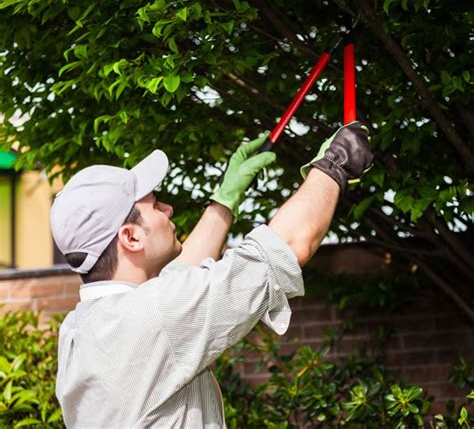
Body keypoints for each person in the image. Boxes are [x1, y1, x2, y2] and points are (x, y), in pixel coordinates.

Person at [51, 121, 373, 428]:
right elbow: (285, 248)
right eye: (155, 205)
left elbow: (178, 285)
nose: (168, 210)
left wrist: (225, 198)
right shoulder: (154, 315)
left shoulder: (78, 329)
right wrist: (333, 165)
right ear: (131, 237)